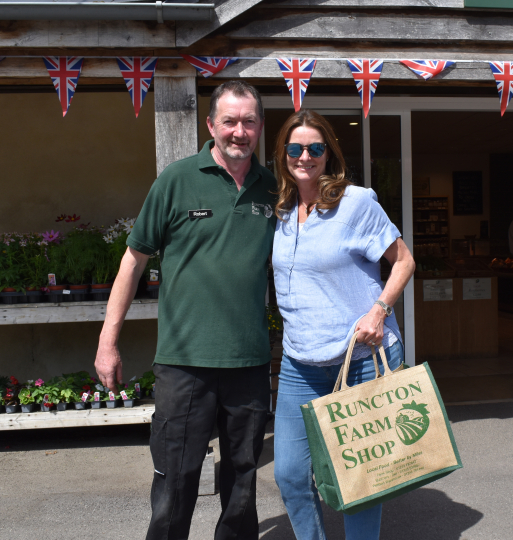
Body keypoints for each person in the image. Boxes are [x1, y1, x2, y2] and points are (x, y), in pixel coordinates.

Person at [94, 80, 277, 540]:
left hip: (248, 362)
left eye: (249, 121)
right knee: (176, 482)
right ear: (211, 124)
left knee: (242, 484)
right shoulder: (176, 180)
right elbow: (132, 263)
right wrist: (107, 342)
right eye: (230, 121)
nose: (240, 131)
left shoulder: (274, 188)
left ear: (260, 127)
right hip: (183, 364)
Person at [270, 109, 415, 540]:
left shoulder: (355, 202)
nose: (305, 156)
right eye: (295, 148)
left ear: (329, 153)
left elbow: (404, 261)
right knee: (291, 475)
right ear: (283, 155)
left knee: (362, 479)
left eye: (315, 148)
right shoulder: (280, 210)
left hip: (361, 358)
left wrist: (379, 310)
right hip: (300, 362)